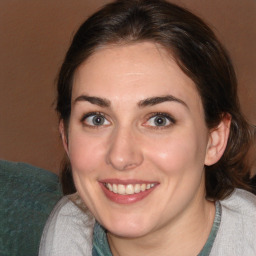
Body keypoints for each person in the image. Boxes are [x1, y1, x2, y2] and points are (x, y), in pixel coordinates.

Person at [39, 0, 256, 255]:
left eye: (159, 120)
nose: (121, 156)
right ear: (66, 137)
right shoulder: (68, 228)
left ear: (214, 139)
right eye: (97, 119)